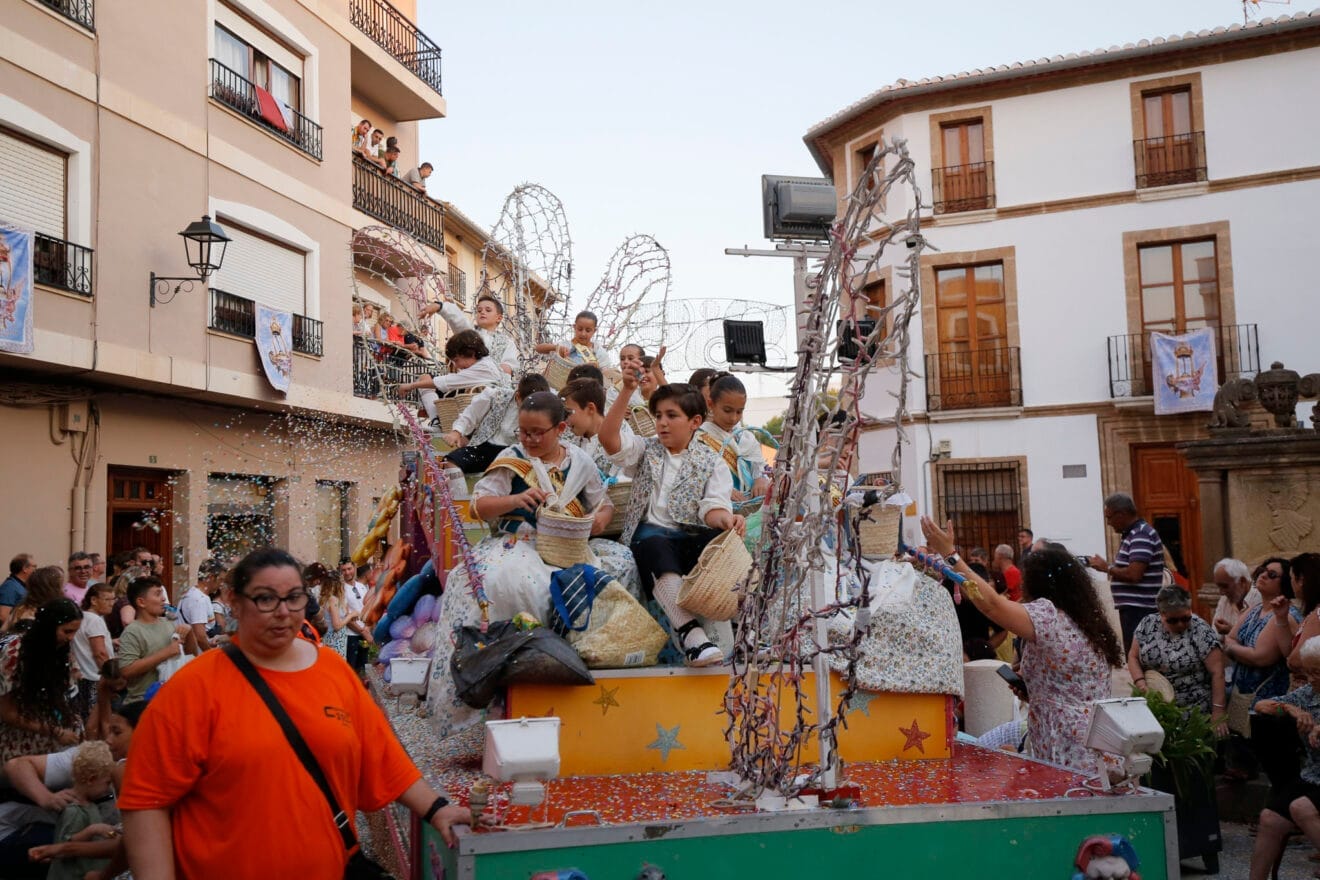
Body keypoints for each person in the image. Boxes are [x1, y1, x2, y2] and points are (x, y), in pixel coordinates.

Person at [119, 547, 486, 878]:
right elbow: (147, 802)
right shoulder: (191, 689)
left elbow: (382, 754)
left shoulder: (332, 670)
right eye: (265, 599)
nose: (283, 612)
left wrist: (437, 809)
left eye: (294, 598)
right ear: (234, 602)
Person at [427, 393, 638, 737]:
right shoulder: (512, 457)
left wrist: (600, 519)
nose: (529, 439)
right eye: (524, 431)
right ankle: (501, 684)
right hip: (517, 543)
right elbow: (478, 506)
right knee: (509, 582)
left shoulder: (580, 462)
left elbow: (603, 503)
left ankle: (585, 676)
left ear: (560, 429)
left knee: (621, 565)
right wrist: (514, 499)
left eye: (538, 432)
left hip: (568, 545)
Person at [920, 519, 1124, 772]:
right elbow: (1069, 685)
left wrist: (951, 556)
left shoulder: (1048, 616)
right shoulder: (1086, 621)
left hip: (1067, 744)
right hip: (1096, 740)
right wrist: (1033, 690)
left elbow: (992, 605)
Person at [601, 376, 745, 667]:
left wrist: (727, 520)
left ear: (694, 422)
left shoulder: (712, 461)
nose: (662, 423)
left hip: (689, 537)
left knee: (720, 545)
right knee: (654, 546)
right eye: (658, 416)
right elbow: (609, 439)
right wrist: (627, 390)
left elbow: (712, 508)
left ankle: (746, 628)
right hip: (651, 538)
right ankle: (692, 636)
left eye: (671, 415)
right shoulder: (644, 449)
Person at [1248, 636, 1320, 880]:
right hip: (1314, 775)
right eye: (1308, 672)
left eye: (1317, 672)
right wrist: (1291, 709)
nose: (1311, 678)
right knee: (1269, 818)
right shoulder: (1308, 694)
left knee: (1301, 808)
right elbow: (1261, 705)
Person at [1127, 585, 1226, 731]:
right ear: (1161, 614)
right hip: (1154, 704)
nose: (1180, 624)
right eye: (1173, 620)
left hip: (1193, 709)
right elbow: (1133, 656)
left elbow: (1217, 672)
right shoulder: (1147, 624)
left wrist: (1218, 711)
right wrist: (1140, 683)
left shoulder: (1201, 630)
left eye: (1185, 618)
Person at [0, 599, 83, 766]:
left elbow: (69, 694)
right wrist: (54, 731)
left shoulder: (61, 650)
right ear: (48, 627)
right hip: (22, 743)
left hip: (57, 740)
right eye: (67, 631)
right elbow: (6, 711)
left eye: (75, 632)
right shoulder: (16, 653)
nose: (71, 638)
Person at [1225, 557, 1300, 721]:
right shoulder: (1255, 609)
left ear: (1285, 584)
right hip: (1243, 699)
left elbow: (1260, 657)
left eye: (1272, 575)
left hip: (1270, 705)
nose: (1263, 575)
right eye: (1262, 571)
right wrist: (1240, 650)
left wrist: (1232, 649)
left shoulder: (1283, 615)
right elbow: (1229, 639)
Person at [1088, 492, 1165, 649]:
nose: (1108, 523)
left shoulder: (1141, 534)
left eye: (1109, 517)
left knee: (1137, 655)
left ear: (1121, 514)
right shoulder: (1133, 535)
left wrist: (1107, 568)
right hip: (1134, 609)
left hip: (1140, 610)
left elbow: (1134, 574)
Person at [395, 329, 507, 432]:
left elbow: (446, 381)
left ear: (471, 353)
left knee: (427, 382)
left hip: (480, 417)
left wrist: (411, 386)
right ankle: (436, 422)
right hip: (479, 409)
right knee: (425, 377)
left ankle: (437, 423)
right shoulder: (486, 362)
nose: (457, 366)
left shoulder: (482, 368)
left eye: (457, 360)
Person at [443, 374, 550, 474]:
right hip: (482, 449)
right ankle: (458, 488)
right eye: (527, 405)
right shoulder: (497, 395)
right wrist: (457, 432)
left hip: (512, 456)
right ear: (518, 396)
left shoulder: (545, 411)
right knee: (450, 462)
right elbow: (471, 414)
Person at [42, 740, 117, 880]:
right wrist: (93, 830)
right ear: (91, 779)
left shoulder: (90, 805)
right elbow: (65, 845)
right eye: (107, 783)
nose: (108, 788)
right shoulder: (74, 811)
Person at [117, 577, 190, 705]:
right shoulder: (132, 631)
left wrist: (190, 634)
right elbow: (126, 670)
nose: (163, 599)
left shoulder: (168, 623)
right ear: (141, 602)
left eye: (162, 593)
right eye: (157, 594)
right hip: (143, 702)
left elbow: (189, 653)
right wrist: (166, 653)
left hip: (170, 698)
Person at [698, 374, 769, 503]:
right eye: (727, 410)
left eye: (739, 411)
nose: (733, 418)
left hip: (751, 507)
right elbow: (696, 478)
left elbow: (760, 468)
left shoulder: (747, 438)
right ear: (710, 404)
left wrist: (761, 479)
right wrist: (721, 489)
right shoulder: (699, 439)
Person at [429, 293, 520, 375]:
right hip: (467, 383)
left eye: (488, 310)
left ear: (499, 318)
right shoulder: (471, 333)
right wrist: (441, 307)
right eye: (479, 310)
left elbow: (509, 366)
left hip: (496, 384)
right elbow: (460, 321)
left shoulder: (507, 342)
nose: (482, 312)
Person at [561, 378, 630, 477]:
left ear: (590, 408)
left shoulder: (619, 441)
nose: (565, 420)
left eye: (569, 413)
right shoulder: (572, 438)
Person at [71, 584, 116, 720]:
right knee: (97, 719)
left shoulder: (82, 617)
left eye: (113, 599)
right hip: (95, 678)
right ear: (94, 600)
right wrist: (111, 676)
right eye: (107, 600)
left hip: (84, 677)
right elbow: (99, 653)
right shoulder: (95, 620)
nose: (111, 604)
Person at [1285, 552, 1320, 677]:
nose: (1291, 583)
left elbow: (1296, 660)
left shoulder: (1317, 615)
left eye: (1291, 578)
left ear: (1300, 580)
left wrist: (1290, 662)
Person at [535, 310, 611, 366]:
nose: (583, 334)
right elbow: (538, 348)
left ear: (594, 331)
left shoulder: (599, 353)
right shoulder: (566, 345)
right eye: (580, 329)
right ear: (574, 327)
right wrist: (556, 348)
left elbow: (606, 376)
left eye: (588, 330)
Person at [2, 566, 65, 633]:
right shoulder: (30, 615)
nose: (63, 590)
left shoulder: (23, 607)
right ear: (50, 589)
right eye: (60, 586)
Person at [179, 560, 223, 654]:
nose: (221, 584)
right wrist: (211, 656)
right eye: (220, 580)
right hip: (197, 655)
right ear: (211, 577)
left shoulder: (195, 594)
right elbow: (200, 637)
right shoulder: (199, 599)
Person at [1211, 557, 1261, 637]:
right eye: (1219, 586)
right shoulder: (1225, 599)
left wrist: (1232, 631)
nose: (1221, 593)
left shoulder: (1259, 599)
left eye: (1225, 586)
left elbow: (1259, 640)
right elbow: (1214, 636)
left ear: (1242, 581)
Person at [338, 558, 370, 674]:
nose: (347, 572)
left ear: (354, 568)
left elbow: (367, 607)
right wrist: (362, 631)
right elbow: (345, 616)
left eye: (349, 569)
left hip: (365, 631)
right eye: (344, 570)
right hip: (351, 635)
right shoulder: (341, 589)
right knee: (351, 669)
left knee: (364, 668)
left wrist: (368, 627)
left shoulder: (362, 586)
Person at [318, 566, 350, 658]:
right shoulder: (332, 599)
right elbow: (337, 626)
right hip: (335, 641)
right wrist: (352, 615)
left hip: (335, 640)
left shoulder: (328, 598)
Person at [0, 554, 34, 628]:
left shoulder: (21, 585)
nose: (35, 570)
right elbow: (3, 616)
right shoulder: (9, 587)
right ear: (25, 569)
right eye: (34, 566)